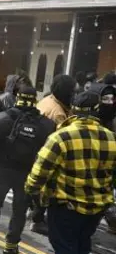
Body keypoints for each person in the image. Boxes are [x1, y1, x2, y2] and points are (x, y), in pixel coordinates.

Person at [25, 91, 116, 254]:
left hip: (67, 203)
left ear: (73, 110)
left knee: (63, 243)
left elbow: (40, 170)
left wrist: (31, 190)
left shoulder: (62, 136)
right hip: (98, 206)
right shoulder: (111, 138)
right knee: (76, 242)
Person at [0, 86, 55, 254]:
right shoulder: (46, 125)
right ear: (35, 100)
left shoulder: (2, 118)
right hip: (27, 173)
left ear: (17, 97)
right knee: (20, 210)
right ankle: (11, 246)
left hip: (2, 168)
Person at [31, 74, 77, 235]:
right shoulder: (58, 113)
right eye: (73, 91)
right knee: (48, 187)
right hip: (48, 153)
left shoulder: (47, 100)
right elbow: (63, 140)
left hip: (36, 148)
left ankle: (35, 214)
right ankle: (38, 219)